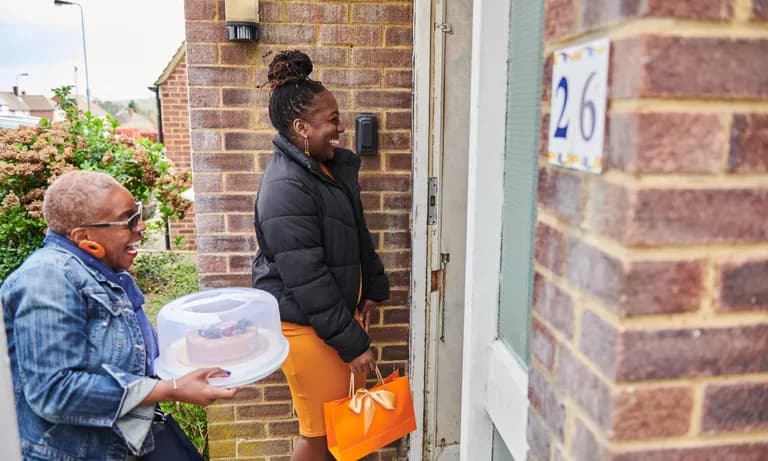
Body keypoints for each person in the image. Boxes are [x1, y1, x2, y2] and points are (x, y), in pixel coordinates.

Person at [0, 170, 238, 461]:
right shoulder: (48, 278)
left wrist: (209, 338)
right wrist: (171, 389)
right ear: (84, 237)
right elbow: (54, 391)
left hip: (129, 443)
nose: (141, 227)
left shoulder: (104, 273)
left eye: (137, 213)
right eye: (128, 220)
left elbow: (134, 350)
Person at [252, 50, 390, 461]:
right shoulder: (286, 187)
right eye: (331, 120)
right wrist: (351, 343)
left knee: (340, 431)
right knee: (322, 436)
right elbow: (306, 279)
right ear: (301, 127)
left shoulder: (325, 168)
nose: (341, 127)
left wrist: (371, 290)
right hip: (308, 328)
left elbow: (355, 235)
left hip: (329, 322)